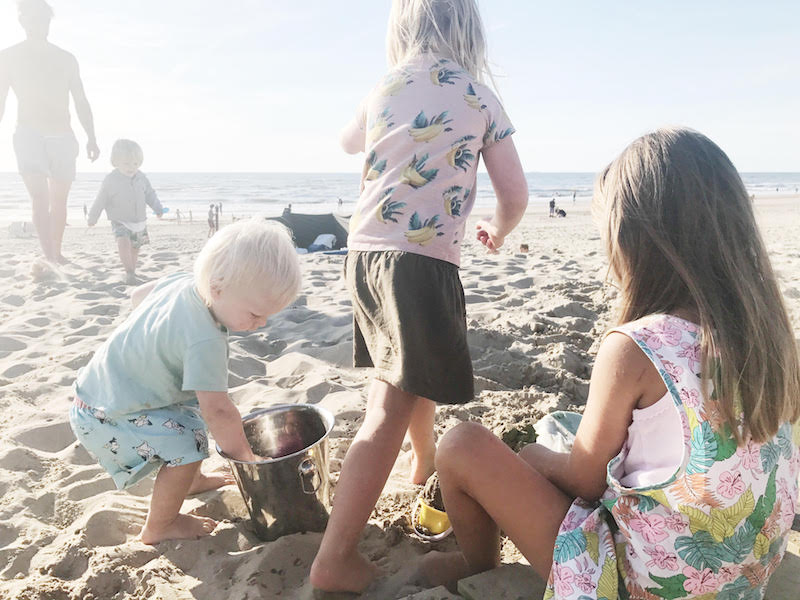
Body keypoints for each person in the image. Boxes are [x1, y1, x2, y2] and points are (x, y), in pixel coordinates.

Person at [420, 128, 800, 599]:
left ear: (631, 240)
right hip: (742, 577)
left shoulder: (638, 347)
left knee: (462, 445)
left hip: (648, 585)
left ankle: (478, 566)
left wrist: (532, 459)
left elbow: (585, 479)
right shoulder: (773, 338)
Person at [309, 0, 528, 593]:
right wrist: (500, 230)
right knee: (387, 406)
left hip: (364, 254)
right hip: (420, 262)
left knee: (409, 372)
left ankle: (423, 459)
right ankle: (335, 558)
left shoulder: (384, 85)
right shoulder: (478, 95)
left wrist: (380, 121)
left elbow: (347, 142)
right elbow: (515, 192)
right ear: (468, 29)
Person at [69, 219, 302, 545]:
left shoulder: (186, 282)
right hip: (108, 413)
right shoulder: (205, 339)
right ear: (218, 288)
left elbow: (139, 296)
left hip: (99, 388)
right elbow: (218, 411)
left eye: (267, 317)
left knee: (188, 421)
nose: (260, 324)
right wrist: (248, 461)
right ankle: (160, 526)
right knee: (187, 449)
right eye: (254, 314)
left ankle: (192, 482)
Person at [0, 0, 99, 265]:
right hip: (28, 133)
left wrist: (91, 136)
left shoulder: (66, 59)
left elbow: (81, 100)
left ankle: (56, 251)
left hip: (63, 135)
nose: (38, 24)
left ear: (49, 21)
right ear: (22, 21)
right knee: (39, 198)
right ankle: (50, 256)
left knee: (59, 199)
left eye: (43, 19)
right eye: (32, 18)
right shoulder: (8, 57)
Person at [87, 139, 163, 285]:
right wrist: (93, 216)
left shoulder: (142, 178)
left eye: (135, 164)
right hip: (120, 219)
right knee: (123, 243)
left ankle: (132, 272)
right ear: (116, 162)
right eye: (126, 164)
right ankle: (129, 271)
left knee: (135, 248)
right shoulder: (111, 180)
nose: (131, 167)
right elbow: (101, 199)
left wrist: (158, 208)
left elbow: (150, 194)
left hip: (139, 220)